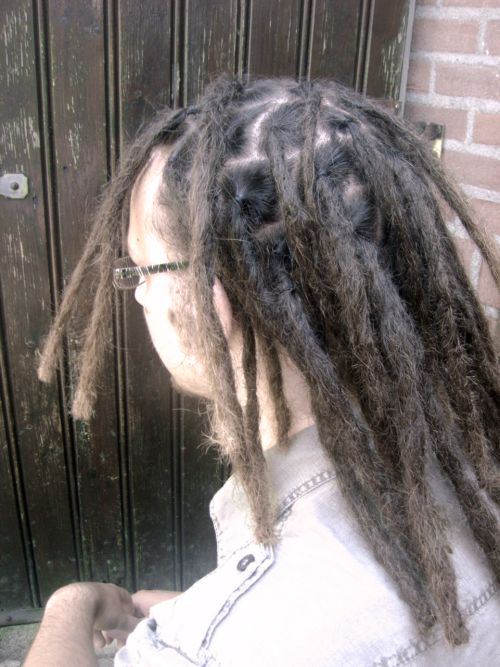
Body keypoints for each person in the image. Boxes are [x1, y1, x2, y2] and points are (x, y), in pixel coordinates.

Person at [25, 76, 500, 666]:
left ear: (210, 302)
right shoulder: (472, 465)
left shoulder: (213, 650)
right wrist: (193, 608)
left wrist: (70, 607)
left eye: (144, 269)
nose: (140, 294)